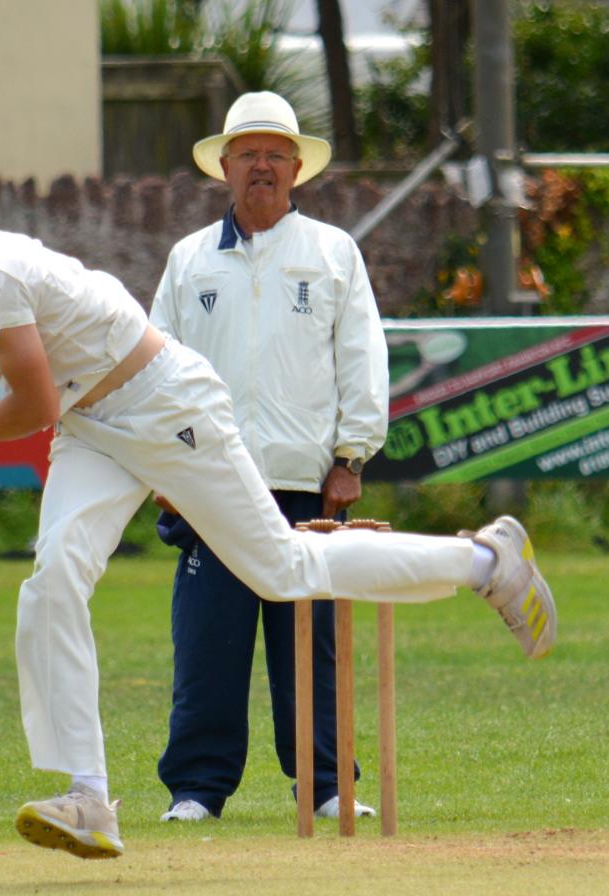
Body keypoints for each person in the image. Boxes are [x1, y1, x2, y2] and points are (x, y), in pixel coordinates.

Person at [0, 141, 557, 862]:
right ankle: (89, 797)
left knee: (282, 568)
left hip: (162, 403)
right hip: (92, 423)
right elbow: (52, 397)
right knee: (55, 576)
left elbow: (31, 402)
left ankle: (484, 559)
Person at [149, 91, 384, 824]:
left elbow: (362, 357)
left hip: (305, 484)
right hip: (213, 484)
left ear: (296, 168)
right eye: (247, 152)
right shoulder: (189, 261)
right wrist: (163, 466)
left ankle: (325, 785)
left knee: (309, 649)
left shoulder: (331, 251)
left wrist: (351, 454)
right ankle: (195, 791)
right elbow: (153, 365)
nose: (261, 165)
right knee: (208, 647)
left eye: (275, 153)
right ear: (224, 166)